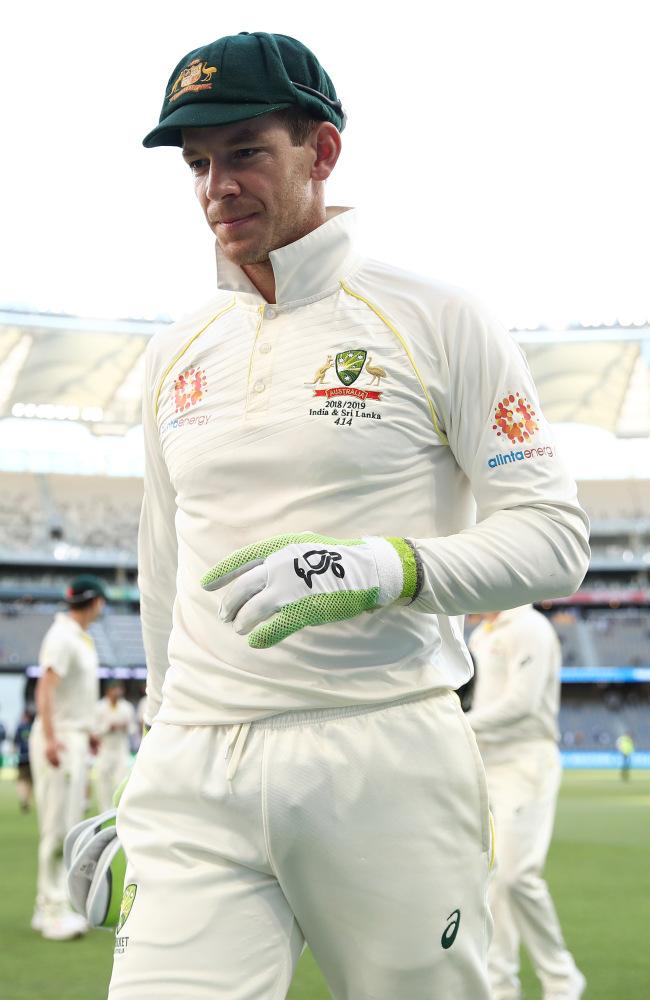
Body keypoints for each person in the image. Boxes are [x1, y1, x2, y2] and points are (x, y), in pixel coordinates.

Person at [102, 30, 589, 999]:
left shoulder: (436, 320)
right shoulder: (174, 352)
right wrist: (151, 755)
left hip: (381, 751)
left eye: (244, 152)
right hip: (197, 762)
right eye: (197, 164)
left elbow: (553, 539)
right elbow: (164, 569)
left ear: (321, 151)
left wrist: (387, 567)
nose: (215, 188)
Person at [466, 607, 586, 1000]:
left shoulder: (530, 627)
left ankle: (561, 978)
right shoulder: (481, 634)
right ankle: (500, 986)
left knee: (518, 875)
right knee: (493, 880)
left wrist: (459, 723)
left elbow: (523, 703)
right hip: (487, 762)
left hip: (525, 761)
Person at [29, 574, 106, 940]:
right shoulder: (63, 637)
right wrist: (50, 737)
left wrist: (87, 730)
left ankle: (50, 905)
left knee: (68, 823)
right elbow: (46, 685)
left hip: (71, 737)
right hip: (59, 740)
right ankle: (52, 911)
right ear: (97, 603)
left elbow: (70, 693)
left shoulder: (78, 638)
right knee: (57, 828)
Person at [94, 682, 137, 812]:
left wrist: (125, 726)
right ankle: (104, 811)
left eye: (119, 689)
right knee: (103, 781)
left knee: (121, 780)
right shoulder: (99, 707)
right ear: (108, 691)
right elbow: (94, 730)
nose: (117, 692)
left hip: (121, 749)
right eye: (114, 689)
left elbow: (133, 728)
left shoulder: (127, 707)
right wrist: (108, 727)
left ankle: (119, 811)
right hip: (105, 749)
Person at [14, 704, 35, 813]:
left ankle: (23, 799)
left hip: (22, 757)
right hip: (32, 757)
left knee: (22, 779)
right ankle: (27, 800)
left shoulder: (20, 727)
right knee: (30, 781)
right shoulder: (34, 726)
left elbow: (15, 742)